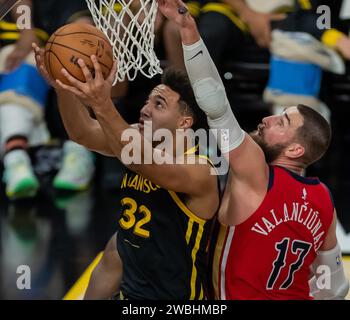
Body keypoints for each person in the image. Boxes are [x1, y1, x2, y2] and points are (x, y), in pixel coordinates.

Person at [159, 0, 349, 300]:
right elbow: (334, 286)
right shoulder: (323, 198)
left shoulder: (254, 171)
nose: (267, 118)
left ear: (296, 149)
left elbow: (216, 104)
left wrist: (189, 32)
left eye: (281, 121)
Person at [33, 42, 220, 299]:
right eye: (147, 101)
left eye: (159, 104)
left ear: (184, 122)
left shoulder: (200, 169)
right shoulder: (136, 139)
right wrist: (62, 87)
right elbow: (82, 133)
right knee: (118, 246)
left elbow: (136, 158)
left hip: (176, 300)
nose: (144, 110)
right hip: (131, 290)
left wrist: (103, 104)